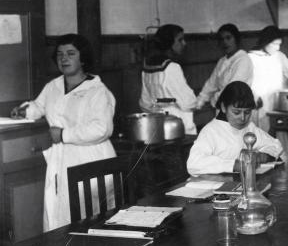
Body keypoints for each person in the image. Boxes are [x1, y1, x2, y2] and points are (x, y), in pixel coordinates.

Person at [10, 34, 117, 231]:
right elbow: (40, 106)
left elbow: (102, 128)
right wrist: (26, 110)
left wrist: (64, 135)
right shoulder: (54, 86)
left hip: (91, 160)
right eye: (59, 55)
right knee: (61, 216)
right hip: (62, 160)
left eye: (70, 54)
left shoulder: (98, 91)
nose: (64, 59)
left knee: (90, 219)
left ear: (82, 58)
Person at [187, 81, 283, 176]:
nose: (242, 118)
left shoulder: (249, 126)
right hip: (214, 186)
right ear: (224, 107)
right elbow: (194, 163)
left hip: (240, 183)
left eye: (247, 112)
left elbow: (275, 144)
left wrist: (265, 155)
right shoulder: (211, 131)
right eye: (236, 112)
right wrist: (233, 165)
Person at [249, 25, 288, 132]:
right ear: (265, 42)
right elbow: (243, 83)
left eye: (279, 44)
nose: (277, 47)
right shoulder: (250, 58)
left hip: (277, 105)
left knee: (276, 136)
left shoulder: (279, 56)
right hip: (256, 106)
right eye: (274, 44)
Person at [139, 24, 197, 134]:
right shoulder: (172, 68)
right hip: (179, 128)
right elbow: (188, 102)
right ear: (169, 42)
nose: (184, 43)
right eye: (180, 40)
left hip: (157, 128)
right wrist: (196, 101)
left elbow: (145, 104)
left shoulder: (147, 68)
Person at [196, 23, 254, 109]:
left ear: (236, 39)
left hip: (238, 109)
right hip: (222, 107)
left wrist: (213, 100)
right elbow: (211, 84)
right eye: (221, 39)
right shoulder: (222, 61)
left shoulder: (243, 60)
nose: (225, 42)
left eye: (228, 38)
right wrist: (199, 102)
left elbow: (232, 90)